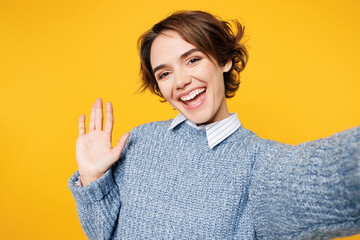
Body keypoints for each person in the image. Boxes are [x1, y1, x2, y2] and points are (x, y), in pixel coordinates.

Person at [68, 10, 360, 239]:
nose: (181, 81)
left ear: (224, 60)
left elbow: (337, 177)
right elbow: (103, 233)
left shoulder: (258, 164)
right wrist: (93, 177)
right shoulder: (139, 141)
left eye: (193, 60)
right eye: (165, 73)